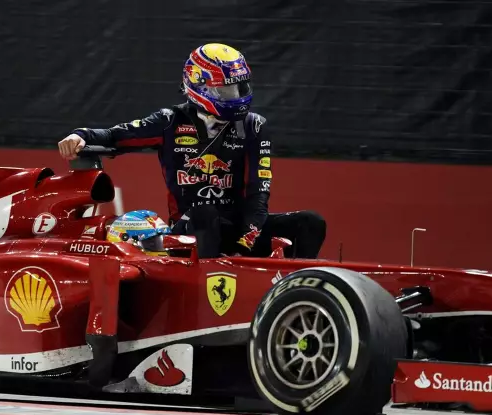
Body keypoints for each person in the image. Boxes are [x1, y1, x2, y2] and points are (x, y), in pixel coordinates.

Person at [58, 43, 326, 258]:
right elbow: (116, 135)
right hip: (189, 229)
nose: (235, 96)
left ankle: (295, 288)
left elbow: (258, 193)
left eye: (238, 88)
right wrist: (79, 136)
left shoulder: (254, 126)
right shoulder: (169, 121)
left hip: (243, 229)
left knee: (310, 222)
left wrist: (245, 243)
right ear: (199, 87)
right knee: (204, 213)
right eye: (226, 90)